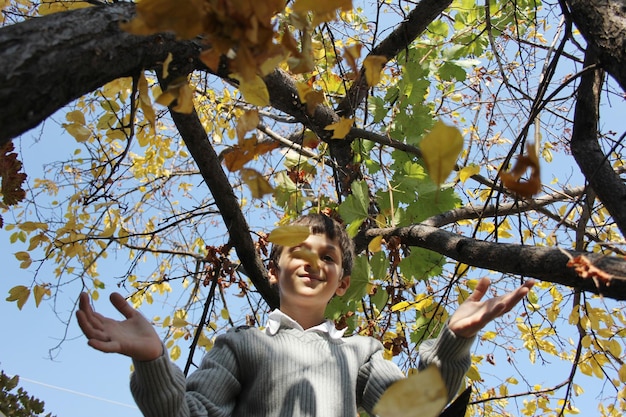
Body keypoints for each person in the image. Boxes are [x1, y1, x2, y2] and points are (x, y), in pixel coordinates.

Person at [77, 213, 534, 417]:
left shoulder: (361, 352)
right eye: (300, 251)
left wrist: (453, 339)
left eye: (329, 257)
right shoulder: (241, 345)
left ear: (340, 284)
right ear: (274, 271)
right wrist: (154, 360)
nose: (315, 261)